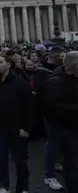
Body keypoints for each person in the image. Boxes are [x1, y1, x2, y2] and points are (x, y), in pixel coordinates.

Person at [0, 56, 32, 193]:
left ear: (8, 65)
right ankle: (4, 186)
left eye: (0, 62)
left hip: (17, 129)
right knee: (1, 160)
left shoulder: (21, 83)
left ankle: (23, 187)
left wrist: (27, 128)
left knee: (20, 161)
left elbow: (29, 108)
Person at [44, 51, 78, 192]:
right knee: (58, 151)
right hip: (61, 126)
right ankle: (50, 175)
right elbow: (53, 106)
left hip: (73, 126)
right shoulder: (56, 82)